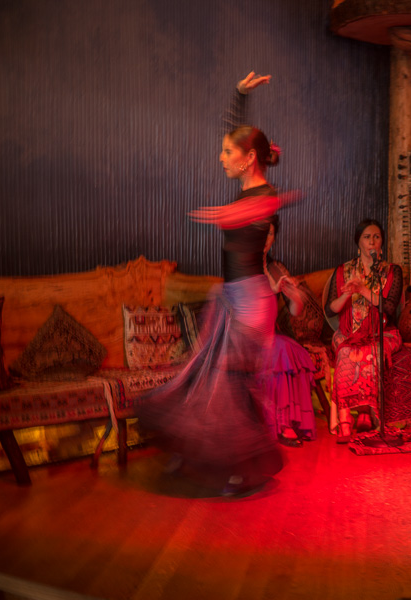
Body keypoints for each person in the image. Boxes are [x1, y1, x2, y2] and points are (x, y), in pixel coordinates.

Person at [138, 72, 288, 497]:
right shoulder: (248, 188)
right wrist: (239, 96)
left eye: (228, 153)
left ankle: (240, 470)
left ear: (249, 160)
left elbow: (261, 212)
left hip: (253, 304)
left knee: (233, 388)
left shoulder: (263, 196)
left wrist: (224, 216)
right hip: (231, 297)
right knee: (202, 376)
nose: (221, 158)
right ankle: (193, 451)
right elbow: (241, 138)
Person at [324, 219, 403, 443]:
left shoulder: (391, 271)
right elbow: (332, 310)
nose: (372, 241)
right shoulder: (344, 270)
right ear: (358, 242)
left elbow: (388, 307)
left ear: (381, 243)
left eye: (376, 237)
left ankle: (368, 415)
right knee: (346, 352)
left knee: (370, 352)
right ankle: (346, 420)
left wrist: (363, 290)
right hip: (349, 332)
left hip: (384, 332)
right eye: (367, 237)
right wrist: (348, 293)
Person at [262, 216, 318, 447]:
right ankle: (282, 424)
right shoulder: (242, 266)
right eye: (261, 232)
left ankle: (292, 422)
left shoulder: (276, 268)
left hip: (270, 334)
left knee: (295, 353)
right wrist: (271, 290)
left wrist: (295, 296)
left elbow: (295, 310)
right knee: (283, 351)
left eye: (270, 233)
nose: (265, 239)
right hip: (246, 333)